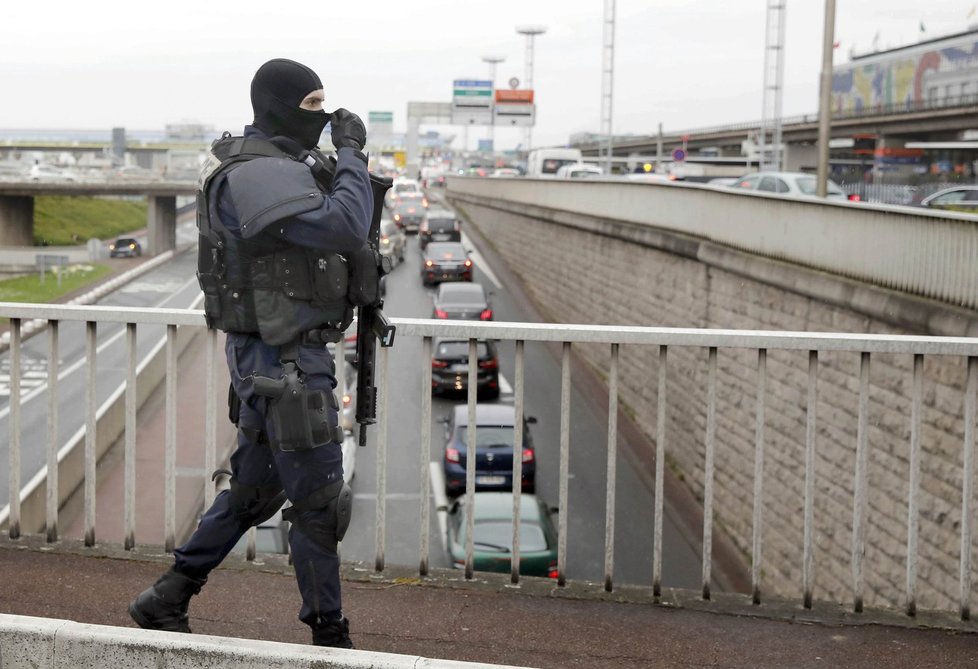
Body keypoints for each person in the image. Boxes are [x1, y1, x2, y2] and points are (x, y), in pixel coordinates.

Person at [128, 58, 373, 649]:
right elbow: (345, 225)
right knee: (317, 503)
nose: (323, 116)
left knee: (252, 491)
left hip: (275, 356)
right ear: (277, 104)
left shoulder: (271, 164)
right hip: (284, 361)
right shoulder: (258, 171)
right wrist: (353, 156)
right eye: (312, 105)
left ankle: (167, 597)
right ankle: (330, 636)